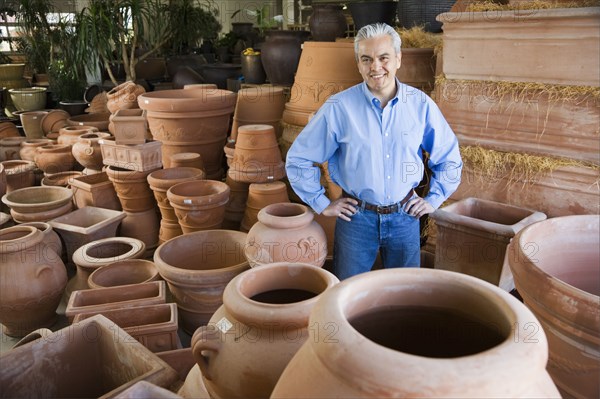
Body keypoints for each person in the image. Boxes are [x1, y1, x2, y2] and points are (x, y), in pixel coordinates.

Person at [285, 23, 463, 280]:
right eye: (366, 59)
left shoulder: (420, 105)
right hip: (357, 220)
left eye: (383, 58)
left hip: (406, 217)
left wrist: (434, 199)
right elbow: (299, 158)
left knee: (406, 294)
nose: (375, 67)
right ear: (358, 63)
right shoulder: (339, 107)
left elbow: (449, 157)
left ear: (398, 59)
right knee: (348, 293)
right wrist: (321, 203)